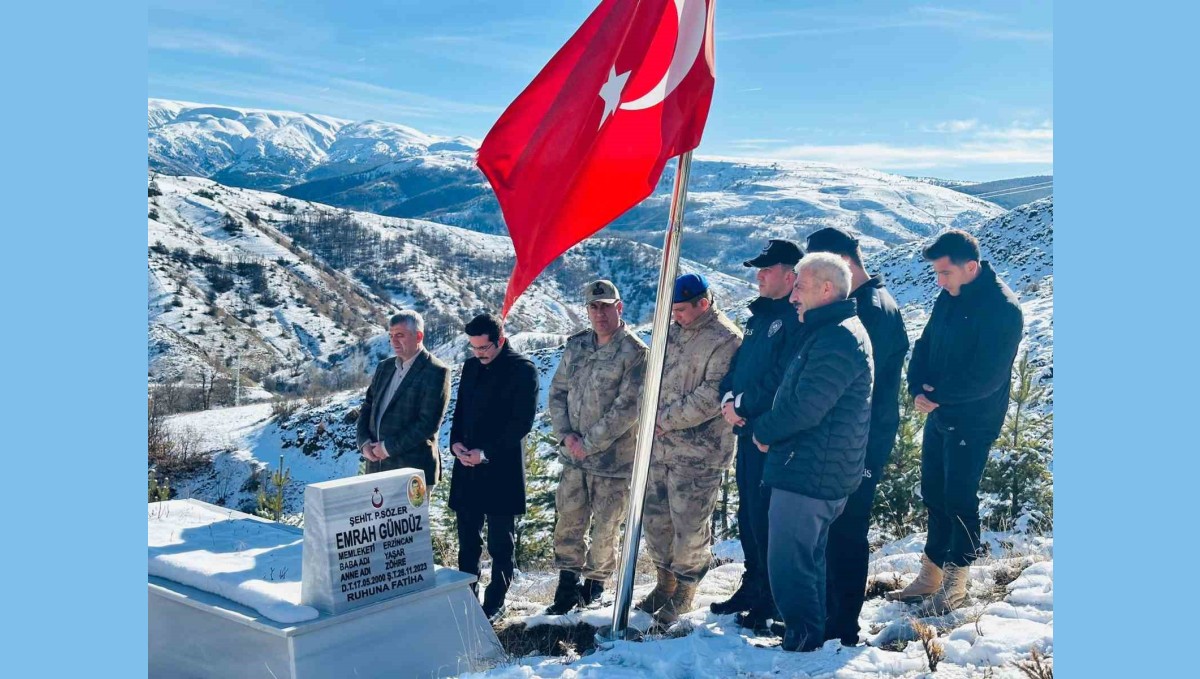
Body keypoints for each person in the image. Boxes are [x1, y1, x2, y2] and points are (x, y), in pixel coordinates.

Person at [888, 229, 1023, 615]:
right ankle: (930, 575)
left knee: (959, 497)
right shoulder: (949, 296)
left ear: (971, 267)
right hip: (940, 411)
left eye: (944, 272)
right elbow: (924, 345)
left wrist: (937, 395)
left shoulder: (1002, 308)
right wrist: (917, 387)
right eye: (936, 272)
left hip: (974, 419)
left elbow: (987, 377)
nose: (939, 281)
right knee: (933, 491)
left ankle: (956, 584)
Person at [751, 252, 874, 653]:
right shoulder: (830, 331)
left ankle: (801, 642)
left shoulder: (837, 338)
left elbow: (806, 407)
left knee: (791, 561)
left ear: (826, 289)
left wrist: (764, 430)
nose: (792, 297)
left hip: (809, 470)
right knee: (806, 559)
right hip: (814, 465)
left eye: (799, 287)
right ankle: (805, 634)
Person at [805, 228, 909, 646]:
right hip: (861, 433)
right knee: (840, 527)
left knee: (847, 528)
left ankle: (842, 623)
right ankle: (832, 615)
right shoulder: (875, 302)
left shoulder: (869, 310)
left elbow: (857, 382)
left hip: (862, 437)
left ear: (842, 263)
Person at [709, 239, 805, 634]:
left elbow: (783, 377)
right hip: (746, 430)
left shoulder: (795, 318)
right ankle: (753, 584)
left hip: (771, 433)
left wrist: (744, 403)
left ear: (790, 275)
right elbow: (739, 367)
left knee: (767, 517)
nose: (759, 276)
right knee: (749, 514)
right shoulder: (759, 316)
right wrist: (728, 397)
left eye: (766, 269)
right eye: (758, 270)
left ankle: (771, 596)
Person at [637, 274, 742, 624]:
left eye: (681, 309)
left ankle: (685, 589)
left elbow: (712, 395)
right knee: (656, 520)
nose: (676, 316)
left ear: (703, 304)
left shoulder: (725, 339)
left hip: (699, 452)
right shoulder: (672, 332)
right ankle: (664, 581)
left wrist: (664, 419)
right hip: (660, 447)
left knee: (689, 524)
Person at [545, 280, 648, 614]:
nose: (600, 313)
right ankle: (566, 588)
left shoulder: (634, 352)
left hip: (611, 461)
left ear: (619, 307)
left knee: (606, 528)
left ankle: (594, 589)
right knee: (569, 522)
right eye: (594, 307)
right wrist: (566, 436)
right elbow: (557, 392)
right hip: (574, 457)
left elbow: (627, 409)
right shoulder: (577, 346)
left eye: (606, 306)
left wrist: (588, 444)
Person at [448, 313, 539, 623]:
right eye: (473, 347)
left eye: (484, 347)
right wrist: (455, 444)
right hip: (467, 467)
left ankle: (496, 602)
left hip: (501, 469)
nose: (479, 354)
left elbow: (521, 424)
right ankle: (467, 599)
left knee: (501, 544)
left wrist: (485, 453)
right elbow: (460, 412)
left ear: (500, 340)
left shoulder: (523, 370)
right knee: (467, 542)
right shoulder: (471, 366)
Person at [356, 310, 451, 488]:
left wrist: (387, 448)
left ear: (419, 336)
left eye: (400, 335)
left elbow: (427, 424)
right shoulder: (384, 367)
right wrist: (364, 442)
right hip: (376, 468)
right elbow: (368, 407)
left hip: (412, 472)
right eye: (391, 336)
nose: (394, 341)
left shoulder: (436, 371)